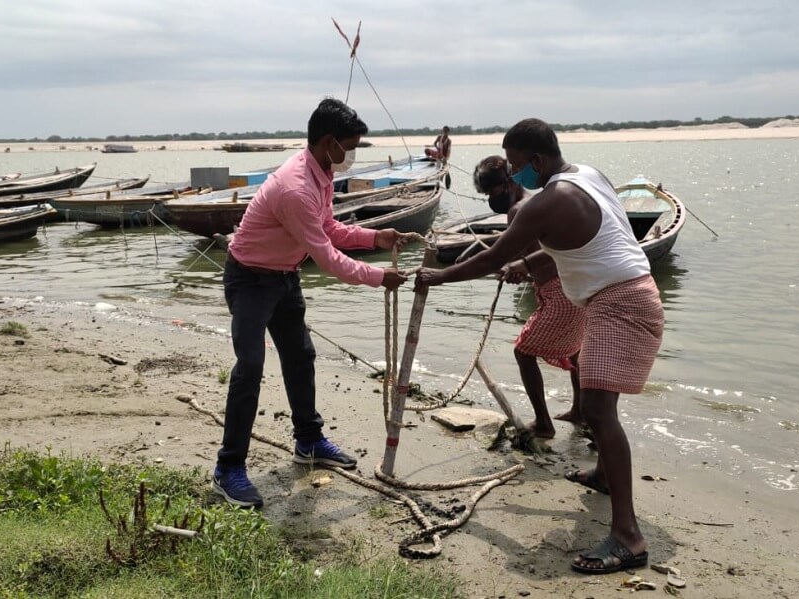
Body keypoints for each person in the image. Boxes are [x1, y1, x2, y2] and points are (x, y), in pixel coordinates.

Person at [417, 118, 664, 574]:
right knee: (597, 405)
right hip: (628, 291)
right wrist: (529, 265)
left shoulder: (544, 203)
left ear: (537, 159)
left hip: (620, 301)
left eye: (515, 166)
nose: (513, 176)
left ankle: (629, 538)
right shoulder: (588, 175)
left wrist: (437, 276)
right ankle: (605, 477)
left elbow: (492, 257)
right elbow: (565, 246)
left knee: (598, 411)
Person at [213, 98, 412, 509]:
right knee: (249, 367)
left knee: (301, 356)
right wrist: (378, 277)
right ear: (328, 142)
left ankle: (308, 441)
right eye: (350, 145)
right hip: (249, 279)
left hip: (284, 276)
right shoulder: (296, 187)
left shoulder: (320, 171)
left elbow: (329, 228)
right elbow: (327, 259)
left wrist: (376, 238)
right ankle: (228, 469)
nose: (352, 154)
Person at [472, 155, 585, 438]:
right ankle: (580, 411)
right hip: (576, 286)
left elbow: (536, 254)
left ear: (509, 183)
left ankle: (544, 424)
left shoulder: (518, 211)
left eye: (492, 192)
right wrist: (521, 268)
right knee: (576, 351)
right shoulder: (539, 203)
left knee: (523, 352)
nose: (490, 199)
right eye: (486, 195)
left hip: (558, 291)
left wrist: (515, 266)